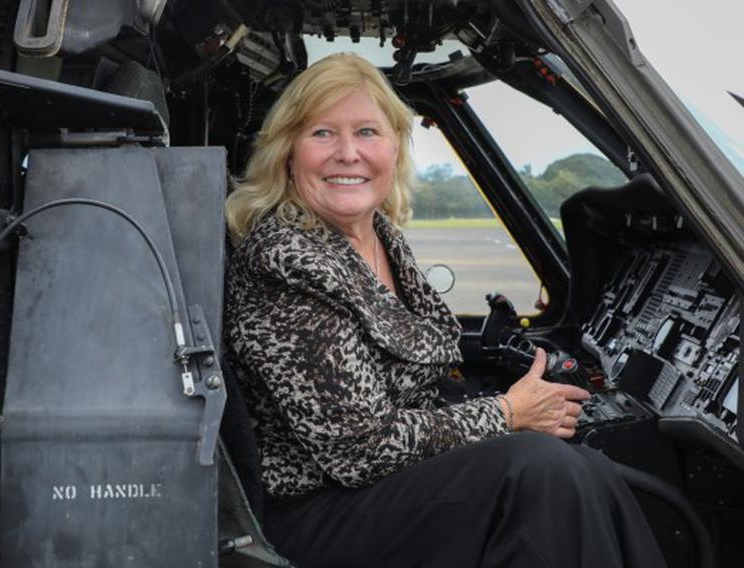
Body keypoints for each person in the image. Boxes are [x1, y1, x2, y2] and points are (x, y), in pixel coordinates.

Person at [223, 52, 666, 567]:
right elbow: (357, 449)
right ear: (287, 152)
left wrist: (509, 408)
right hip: (314, 509)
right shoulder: (288, 261)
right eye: (322, 133)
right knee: (538, 472)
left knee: (587, 464)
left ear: (394, 147)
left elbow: (418, 373)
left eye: (367, 131)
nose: (348, 153)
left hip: (377, 484)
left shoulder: (377, 235)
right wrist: (507, 412)